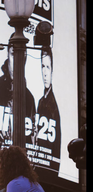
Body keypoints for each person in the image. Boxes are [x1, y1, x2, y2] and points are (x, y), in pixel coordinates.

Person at [0, 41, 36, 160]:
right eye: (13, 54)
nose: (18, 60)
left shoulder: (29, 97)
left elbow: (31, 139)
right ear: (7, 54)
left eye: (23, 55)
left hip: (19, 170)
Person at [34, 47, 61, 176]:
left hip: (46, 171)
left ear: (53, 70)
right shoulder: (41, 101)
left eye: (48, 67)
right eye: (42, 66)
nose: (44, 73)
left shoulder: (54, 106)